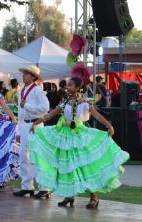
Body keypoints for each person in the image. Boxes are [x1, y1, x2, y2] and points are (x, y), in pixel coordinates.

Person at [30, 77, 129, 209]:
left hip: (79, 136)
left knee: (85, 166)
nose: (67, 87)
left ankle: (94, 197)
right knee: (67, 166)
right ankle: (69, 195)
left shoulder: (85, 103)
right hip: (64, 137)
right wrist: (36, 123)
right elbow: (50, 115)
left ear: (77, 88)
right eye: (67, 85)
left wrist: (108, 126)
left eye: (70, 85)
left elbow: (97, 115)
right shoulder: (65, 102)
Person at [12, 65, 50, 199]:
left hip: (36, 124)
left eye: (26, 74)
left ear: (33, 77)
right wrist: (19, 130)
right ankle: (27, 186)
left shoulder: (37, 90)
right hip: (25, 125)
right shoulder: (22, 90)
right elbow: (21, 112)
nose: (23, 76)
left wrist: (27, 106)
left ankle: (44, 187)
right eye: (23, 73)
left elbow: (45, 108)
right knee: (23, 156)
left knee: (37, 157)